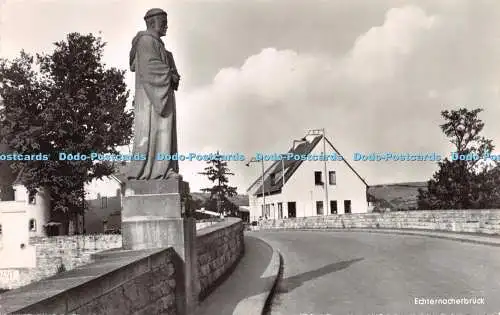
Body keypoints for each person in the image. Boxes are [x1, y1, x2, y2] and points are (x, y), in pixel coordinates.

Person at [127, 8, 181, 180]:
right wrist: (169, 74)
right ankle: (158, 170)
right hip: (152, 98)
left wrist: (173, 73)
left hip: (161, 95)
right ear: (151, 23)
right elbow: (150, 67)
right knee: (155, 131)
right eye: (163, 23)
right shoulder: (145, 41)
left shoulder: (158, 45)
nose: (166, 26)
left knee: (164, 132)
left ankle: (164, 168)